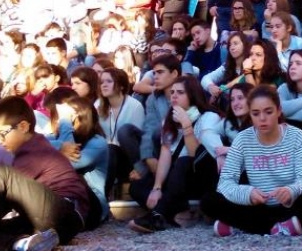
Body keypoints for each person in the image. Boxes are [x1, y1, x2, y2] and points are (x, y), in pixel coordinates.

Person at [0, 97, 90, 251]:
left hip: (65, 213)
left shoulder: (35, 151)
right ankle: (21, 244)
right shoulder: (27, 149)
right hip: (48, 223)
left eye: (2, 134)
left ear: (23, 126)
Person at [200, 85, 302, 237]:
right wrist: (248, 194)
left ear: (278, 111)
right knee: (208, 201)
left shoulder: (296, 136)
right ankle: (282, 227)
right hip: (255, 205)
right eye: (256, 113)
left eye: (268, 112)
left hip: (287, 204)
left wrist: (291, 190)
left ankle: (241, 225)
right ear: (250, 115)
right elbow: (225, 183)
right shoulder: (243, 139)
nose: (262, 119)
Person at [128, 75, 223, 233]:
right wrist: (157, 187)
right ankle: (180, 211)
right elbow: (165, 156)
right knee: (137, 186)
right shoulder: (170, 119)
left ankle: (158, 216)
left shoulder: (208, 117)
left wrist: (186, 126)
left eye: (180, 92)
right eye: (172, 92)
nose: (174, 96)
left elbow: (195, 155)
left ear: (192, 95)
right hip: (177, 179)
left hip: (199, 176)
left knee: (183, 161)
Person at [57, 96, 109, 223]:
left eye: (70, 118)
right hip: (69, 201)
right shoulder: (63, 136)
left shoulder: (98, 143)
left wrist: (65, 122)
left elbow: (69, 163)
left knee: (69, 175)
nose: (61, 121)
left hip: (93, 207)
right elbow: (39, 145)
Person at [96, 67, 145, 196]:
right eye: (102, 82)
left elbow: (136, 141)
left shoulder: (135, 106)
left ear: (121, 86)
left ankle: (103, 199)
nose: (104, 85)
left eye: (109, 81)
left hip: (129, 159)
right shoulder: (97, 105)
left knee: (114, 146)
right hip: (106, 157)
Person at [201, 32, 251, 105]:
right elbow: (205, 78)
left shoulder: (251, 65)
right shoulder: (226, 66)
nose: (232, 47)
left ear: (245, 45)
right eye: (230, 45)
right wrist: (211, 87)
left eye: (235, 43)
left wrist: (222, 89)